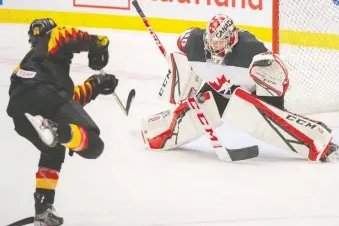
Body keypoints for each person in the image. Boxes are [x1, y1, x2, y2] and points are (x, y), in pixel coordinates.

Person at [141, 13, 339, 163]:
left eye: (219, 43)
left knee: (271, 122)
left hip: (249, 93)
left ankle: (320, 143)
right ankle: (156, 132)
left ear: (232, 39)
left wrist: (273, 107)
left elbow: (277, 78)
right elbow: (181, 44)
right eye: (211, 42)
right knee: (196, 109)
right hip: (218, 90)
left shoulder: (250, 49)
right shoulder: (195, 41)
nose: (214, 47)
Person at [6, 18, 118, 226]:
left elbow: (64, 100)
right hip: (47, 97)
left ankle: (44, 208)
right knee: (94, 146)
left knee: (53, 149)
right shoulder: (54, 36)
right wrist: (98, 44)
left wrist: (94, 85)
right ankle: (58, 131)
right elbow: (71, 35)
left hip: (20, 112)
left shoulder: (25, 65)